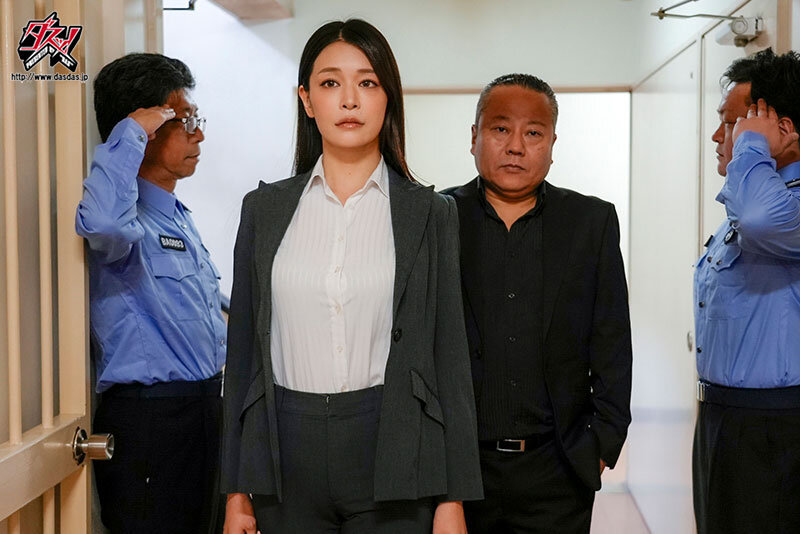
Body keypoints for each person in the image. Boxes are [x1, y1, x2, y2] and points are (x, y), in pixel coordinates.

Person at [220, 19, 482, 534]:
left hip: (397, 449)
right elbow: (243, 355)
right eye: (329, 83)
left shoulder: (431, 213)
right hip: (285, 458)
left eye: (367, 82)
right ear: (306, 99)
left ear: (388, 98)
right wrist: (235, 491)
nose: (349, 100)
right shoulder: (263, 210)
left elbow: (450, 358)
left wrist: (453, 498)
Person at [443, 74, 632, 534]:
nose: (515, 146)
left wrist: (602, 444)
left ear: (552, 144)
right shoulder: (437, 218)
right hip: (460, 471)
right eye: (500, 129)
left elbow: (612, 342)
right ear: (474, 137)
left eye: (533, 132)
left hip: (558, 470)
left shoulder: (590, 222)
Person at [75, 53, 226, 533]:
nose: (198, 135)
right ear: (149, 125)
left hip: (203, 410)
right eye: (185, 121)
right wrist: (131, 133)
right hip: (151, 421)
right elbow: (101, 223)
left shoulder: (175, 216)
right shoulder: (124, 223)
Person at [693, 48, 800, 534]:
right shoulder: (747, 205)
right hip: (725, 418)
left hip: (775, 428)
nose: (719, 137)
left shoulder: (780, 210)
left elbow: (760, 221)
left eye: (732, 123)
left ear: (783, 128)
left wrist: (752, 146)